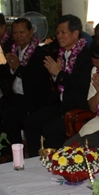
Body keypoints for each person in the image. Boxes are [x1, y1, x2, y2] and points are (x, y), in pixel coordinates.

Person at [25, 15, 93, 156]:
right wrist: (56, 75)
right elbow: (61, 83)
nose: (59, 36)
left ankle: (56, 163)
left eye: (63, 32)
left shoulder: (86, 57)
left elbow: (81, 86)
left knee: (51, 129)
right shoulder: (62, 54)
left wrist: (59, 74)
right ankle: (34, 161)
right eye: (57, 33)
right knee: (31, 122)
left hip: (77, 107)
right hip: (61, 103)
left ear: (75, 33)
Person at [0, 18, 50, 154]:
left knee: (9, 115)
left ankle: (18, 151)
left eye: (22, 32)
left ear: (31, 32)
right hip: (16, 95)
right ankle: (4, 150)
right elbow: (5, 76)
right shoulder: (13, 51)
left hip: (33, 97)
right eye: (15, 33)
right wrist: (10, 68)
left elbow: (37, 82)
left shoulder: (40, 53)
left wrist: (18, 67)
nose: (18, 36)